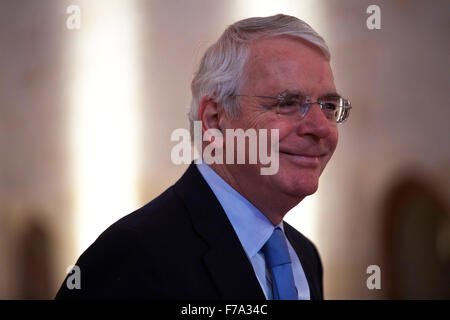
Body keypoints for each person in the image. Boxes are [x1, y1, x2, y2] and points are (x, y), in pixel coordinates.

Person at [55, 14, 351, 300]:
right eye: (287, 103)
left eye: (328, 105)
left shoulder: (304, 255)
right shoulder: (132, 257)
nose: (320, 127)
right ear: (214, 119)